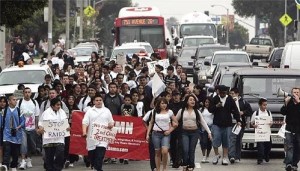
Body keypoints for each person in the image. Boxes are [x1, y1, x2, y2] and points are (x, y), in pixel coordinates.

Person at [176, 95, 212, 171]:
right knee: (185, 149)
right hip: (184, 132)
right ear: (186, 101)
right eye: (190, 100)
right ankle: (185, 163)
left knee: (191, 150)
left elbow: (203, 122)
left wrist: (209, 132)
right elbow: (175, 120)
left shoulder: (197, 111)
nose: (193, 101)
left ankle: (191, 165)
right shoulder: (182, 111)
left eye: (194, 100)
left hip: (194, 133)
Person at [208, 85, 241, 165]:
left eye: (224, 93)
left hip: (227, 124)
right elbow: (210, 109)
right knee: (215, 139)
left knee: (226, 141)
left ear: (226, 92)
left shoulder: (230, 99)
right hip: (217, 123)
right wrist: (216, 106)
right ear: (218, 92)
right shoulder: (215, 99)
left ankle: (225, 157)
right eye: (221, 93)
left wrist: (238, 120)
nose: (222, 94)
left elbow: (235, 110)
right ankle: (216, 155)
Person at [82, 94, 114, 171]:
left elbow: (111, 122)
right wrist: (84, 132)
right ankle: (94, 166)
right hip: (92, 138)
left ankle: (98, 169)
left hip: (103, 137)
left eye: (100, 100)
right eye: (97, 100)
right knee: (92, 155)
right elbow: (85, 122)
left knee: (100, 155)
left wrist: (111, 125)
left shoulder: (107, 110)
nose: (99, 102)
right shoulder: (90, 111)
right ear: (93, 102)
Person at [146, 97, 178, 171]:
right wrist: (147, 134)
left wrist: (170, 130)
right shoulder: (155, 111)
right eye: (162, 103)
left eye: (165, 103)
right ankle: (158, 169)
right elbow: (151, 123)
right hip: (156, 133)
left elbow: (176, 123)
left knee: (165, 151)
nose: (164, 105)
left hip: (166, 134)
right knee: (157, 152)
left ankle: (164, 168)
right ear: (159, 104)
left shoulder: (169, 112)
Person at [37, 98, 69, 171]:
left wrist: (67, 127)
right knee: (49, 156)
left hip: (59, 138)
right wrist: (41, 128)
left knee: (60, 154)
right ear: (52, 105)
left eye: (59, 105)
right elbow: (40, 122)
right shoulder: (46, 113)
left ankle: (57, 168)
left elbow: (65, 122)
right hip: (49, 139)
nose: (59, 106)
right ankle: (50, 169)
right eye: (57, 105)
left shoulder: (62, 112)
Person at [1, 95, 25, 171]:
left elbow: (23, 121)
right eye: (14, 100)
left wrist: (18, 127)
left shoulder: (19, 111)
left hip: (16, 135)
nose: (15, 101)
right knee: (7, 151)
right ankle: (5, 166)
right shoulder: (4, 111)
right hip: (7, 134)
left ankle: (13, 165)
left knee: (15, 153)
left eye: (16, 100)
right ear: (9, 101)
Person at [18, 87, 40, 169]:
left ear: (31, 93)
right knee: (23, 144)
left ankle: (29, 159)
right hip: (22, 127)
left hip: (32, 127)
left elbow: (37, 115)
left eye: (29, 92)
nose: (27, 94)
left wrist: (36, 127)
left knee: (31, 145)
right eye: (25, 92)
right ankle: (23, 161)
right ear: (23, 93)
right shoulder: (19, 102)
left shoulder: (34, 102)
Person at [229, 88, 253, 163]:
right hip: (232, 123)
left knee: (239, 140)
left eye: (233, 93)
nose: (231, 95)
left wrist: (243, 112)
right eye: (230, 94)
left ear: (237, 94)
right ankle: (231, 156)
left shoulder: (243, 102)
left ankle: (237, 156)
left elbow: (250, 111)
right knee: (232, 139)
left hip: (240, 124)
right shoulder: (229, 101)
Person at [280, 87, 300, 171]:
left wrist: (298, 102)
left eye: (297, 92)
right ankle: (288, 164)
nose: (295, 94)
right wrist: (285, 103)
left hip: (299, 129)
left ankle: (294, 164)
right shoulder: (289, 102)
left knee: (298, 147)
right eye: (294, 92)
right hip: (289, 128)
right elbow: (282, 112)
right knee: (289, 147)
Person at [251, 98, 273, 165]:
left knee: (269, 145)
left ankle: (266, 155)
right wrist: (254, 125)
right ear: (260, 105)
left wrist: (271, 123)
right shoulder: (256, 113)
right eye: (264, 105)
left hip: (267, 132)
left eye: (266, 105)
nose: (265, 106)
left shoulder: (268, 112)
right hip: (259, 132)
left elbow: (271, 121)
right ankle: (260, 159)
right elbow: (252, 122)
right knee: (260, 146)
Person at [199, 97, 213, 163]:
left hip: (211, 127)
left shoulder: (213, 109)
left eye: (208, 102)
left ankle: (207, 155)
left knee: (209, 143)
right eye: (206, 102)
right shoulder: (201, 110)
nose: (207, 103)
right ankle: (204, 155)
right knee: (203, 142)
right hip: (203, 128)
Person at [0, 96, 7, 170]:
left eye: (4, 102)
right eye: (1, 101)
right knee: (0, 147)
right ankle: (1, 162)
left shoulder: (7, 110)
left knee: (6, 147)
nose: (2, 103)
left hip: (6, 131)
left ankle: (5, 162)